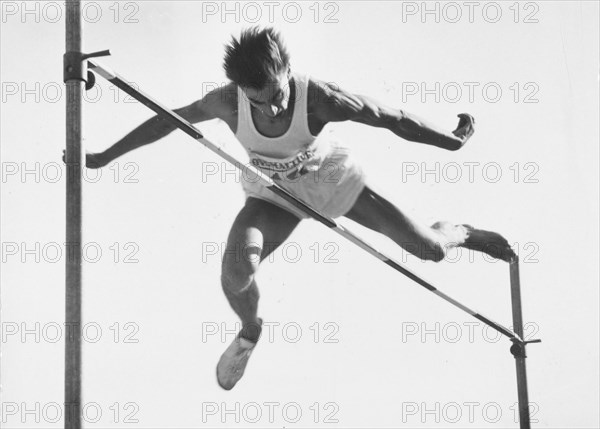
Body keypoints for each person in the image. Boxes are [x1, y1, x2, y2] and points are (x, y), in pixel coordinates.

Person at [84, 27, 516, 390]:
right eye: (258, 101)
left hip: (333, 180)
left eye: (275, 95)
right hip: (272, 195)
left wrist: (451, 140)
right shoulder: (226, 102)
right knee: (236, 271)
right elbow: (166, 119)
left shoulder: (320, 98)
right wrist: (105, 156)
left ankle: (460, 232)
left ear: (288, 71)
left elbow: (393, 118)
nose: (270, 107)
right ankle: (251, 331)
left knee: (431, 252)